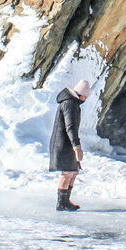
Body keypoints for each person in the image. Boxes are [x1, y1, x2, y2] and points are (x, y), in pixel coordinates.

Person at [49, 79, 92, 211]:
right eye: (85, 96)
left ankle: (66, 200)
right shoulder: (70, 104)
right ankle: (61, 202)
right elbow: (70, 127)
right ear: (80, 94)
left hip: (67, 142)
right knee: (67, 172)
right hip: (63, 143)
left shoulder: (72, 103)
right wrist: (76, 146)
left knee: (74, 171)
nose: (85, 99)